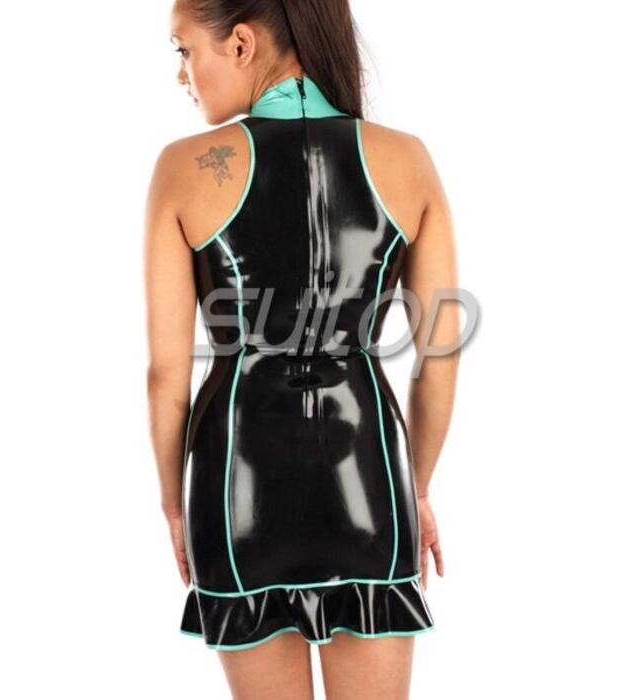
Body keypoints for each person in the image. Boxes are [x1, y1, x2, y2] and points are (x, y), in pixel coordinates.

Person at [144, 0, 459, 697]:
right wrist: (416, 488)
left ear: (241, 43)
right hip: (369, 480)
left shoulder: (183, 168)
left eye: (183, 50)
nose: (181, 74)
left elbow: (166, 373)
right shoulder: (407, 159)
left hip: (238, 487)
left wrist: (173, 503)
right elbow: (440, 357)